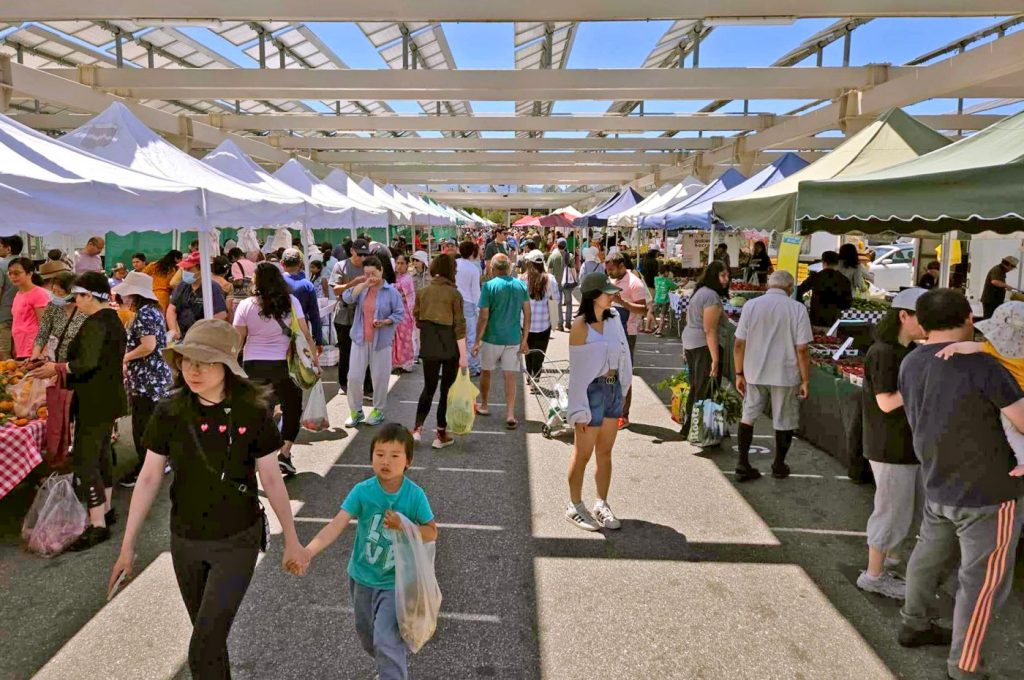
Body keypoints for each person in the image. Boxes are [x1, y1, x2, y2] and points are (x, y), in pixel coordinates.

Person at [108, 319, 307, 679]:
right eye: (187, 360)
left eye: (206, 362)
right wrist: (127, 544)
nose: (194, 370)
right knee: (210, 644)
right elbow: (150, 475)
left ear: (228, 366)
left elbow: (272, 477)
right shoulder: (170, 408)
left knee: (203, 644)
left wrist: (291, 539)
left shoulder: (253, 407)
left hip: (237, 538)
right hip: (185, 538)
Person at [895, 289, 1024, 680]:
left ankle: (913, 622)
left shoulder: (911, 363)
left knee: (927, 557)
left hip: (937, 482)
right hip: (991, 493)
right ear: (969, 317)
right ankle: (965, 666)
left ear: (921, 322)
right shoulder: (985, 367)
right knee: (981, 582)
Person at [299, 424, 437, 680]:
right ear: (371, 457)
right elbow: (336, 524)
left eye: (395, 455)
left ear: (408, 461)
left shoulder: (415, 496)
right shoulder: (362, 491)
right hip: (361, 578)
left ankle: (391, 671)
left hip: (395, 582)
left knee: (385, 639)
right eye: (380, 454)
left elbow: (431, 532)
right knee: (369, 637)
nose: (386, 461)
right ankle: (388, 663)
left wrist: (405, 525)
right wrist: (308, 551)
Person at [29, 272, 127, 550]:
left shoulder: (96, 322)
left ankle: (97, 525)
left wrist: (57, 368)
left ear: (91, 296)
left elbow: (86, 362)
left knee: (86, 458)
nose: (76, 301)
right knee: (102, 453)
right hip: (108, 398)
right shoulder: (111, 320)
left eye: (79, 296)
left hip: (94, 399)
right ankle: (106, 509)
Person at [856, 288, 928, 600]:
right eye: (924, 318)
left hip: (906, 445)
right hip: (889, 445)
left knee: (904, 511)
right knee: (891, 512)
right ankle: (874, 576)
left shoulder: (908, 349)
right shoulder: (883, 352)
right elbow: (885, 403)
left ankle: (888, 565)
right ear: (903, 316)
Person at [234, 262, 319, 477]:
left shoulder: (245, 305)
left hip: (254, 364)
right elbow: (305, 333)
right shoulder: (291, 302)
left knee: (261, 410)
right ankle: (285, 452)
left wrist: (231, 366)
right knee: (292, 408)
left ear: (256, 281)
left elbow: (237, 341)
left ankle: (260, 455)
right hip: (285, 365)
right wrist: (314, 359)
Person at [565, 272, 633, 532]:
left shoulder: (614, 318)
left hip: (613, 389)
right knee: (582, 454)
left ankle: (601, 503)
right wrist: (578, 407)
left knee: (605, 452)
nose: (613, 295)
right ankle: (574, 505)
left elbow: (623, 354)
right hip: (591, 391)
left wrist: (624, 388)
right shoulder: (580, 325)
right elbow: (578, 372)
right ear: (594, 295)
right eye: (608, 292)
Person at [733, 270, 813, 481]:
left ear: (769, 285)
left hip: (754, 370)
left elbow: (739, 343)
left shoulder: (751, 306)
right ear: (790, 288)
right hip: (785, 373)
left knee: (748, 415)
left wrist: (739, 372)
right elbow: (802, 348)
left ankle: (742, 463)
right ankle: (778, 464)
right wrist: (805, 379)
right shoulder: (797, 309)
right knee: (784, 419)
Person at [935, 300, 1024, 472]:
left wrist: (954, 347)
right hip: (1017, 396)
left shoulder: (994, 348)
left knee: (1010, 428)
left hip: (1013, 396)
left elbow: (973, 346)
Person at [113, 272, 173, 488]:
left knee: (143, 425)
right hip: (152, 377)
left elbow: (148, 346)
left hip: (148, 379)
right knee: (150, 423)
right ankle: (158, 462)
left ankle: (146, 467)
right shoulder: (151, 311)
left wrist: (125, 357)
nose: (125, 298)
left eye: (128, 294)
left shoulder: (144, 314)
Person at [412, 254, 468, 448]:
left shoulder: (423, 292)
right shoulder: (454, 294)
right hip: (450, 347)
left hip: (429, 345)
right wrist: (464, 356)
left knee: (428, 387)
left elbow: (417, 319)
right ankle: (440, 434)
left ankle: (417, 429)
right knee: (446, 391)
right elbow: (460, 326)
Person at [342, 254, 405, 428]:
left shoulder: (391, 291)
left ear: (381, 270)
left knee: (380, 378)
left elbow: (400, 313)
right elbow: (347, 298)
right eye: (367, 273)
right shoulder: (362, 288)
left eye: (373, 273)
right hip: (360, 339)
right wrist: (362, 283)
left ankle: (378, 409)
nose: (371, 277)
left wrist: (385, 321)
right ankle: (356, 411)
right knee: (353, 377)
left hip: (381, 340)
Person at [473, 253, 530, 430]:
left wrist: (477, 340)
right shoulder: (521, 285)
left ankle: (484, 404)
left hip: (492, 337)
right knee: (510, 375)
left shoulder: (489, 286)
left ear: (493, 269)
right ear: (509, 268)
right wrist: (525, 339)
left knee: (486, 371)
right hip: (513, 337)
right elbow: (528, 314)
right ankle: (510, 413)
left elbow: (483, 317)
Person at [681, 261, 730, 434]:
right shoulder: (710, 296)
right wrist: (715, 359)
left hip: (692, 342)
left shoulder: (700, 292)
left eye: (727, 275)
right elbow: (710, 330)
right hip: (703, 346)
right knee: (704, 387)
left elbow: (688, 319)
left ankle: (691, 426)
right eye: (723, 275)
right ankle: (700, 428)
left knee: (697, 385)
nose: (726, 279)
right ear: (714, 276)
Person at [604, 251, 648, 430]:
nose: (610, 274)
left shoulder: (634, 283)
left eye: (612, 270)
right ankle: (611, 408)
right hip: (610, 329)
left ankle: (624, 414)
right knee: (609, 370)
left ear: (622, 266)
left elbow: (643, 309)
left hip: (627, 333)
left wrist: (622, 302)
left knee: (624, 371)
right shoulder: (612, 280)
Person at [331, 239, 370, 391]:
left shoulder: (368, 266)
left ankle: (367, 385)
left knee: (366, 351)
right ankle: (343, 382)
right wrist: (353, 283)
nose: (362, 258)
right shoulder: (340, 266)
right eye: (359, 254)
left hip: (364, 314)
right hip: (344, 314)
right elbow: (335, 290)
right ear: (352, 251)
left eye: (365, 255)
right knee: (345, 352)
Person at [167, 251, 229, 342]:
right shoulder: (183, 286)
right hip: (184, 337)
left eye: (189, 269)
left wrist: (201, 331)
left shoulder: (213, 287)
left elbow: (221, 314)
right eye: (184, 269)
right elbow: (171, 309)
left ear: (201, 269)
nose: (185, 272)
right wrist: (173, 330)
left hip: (204, 339)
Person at [522, 250, 560, 383]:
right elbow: (555, 301)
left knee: (527, 350)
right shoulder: (550, 279)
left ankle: (529, 375)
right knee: (540, 352)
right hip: (544, 323)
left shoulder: (522, 279)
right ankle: (535, 377)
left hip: (525, 323)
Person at [31, 271, 84, 362]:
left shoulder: (84, 311)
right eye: (53, 291)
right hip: (55, 360)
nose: (55, 295)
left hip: (77, 362)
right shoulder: (52, 306)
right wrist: (36, 353)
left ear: (72, 293)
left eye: (60, 292)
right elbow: (43, 331)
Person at [796, 250, 853, 329]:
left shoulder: (816, 277)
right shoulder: (844, 280)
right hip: (834, 319)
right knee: (831, 339)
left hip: (816, 318)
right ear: (837, 263)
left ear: (824, 262)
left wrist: (803, 306)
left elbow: (799, 291)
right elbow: (848, 303)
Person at [7, 258, 49, 360]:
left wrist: (42, 350)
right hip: (20, 346)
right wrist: (14, 347)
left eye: (17, 273)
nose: (13, 276)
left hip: (33, 348)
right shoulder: (18, 294)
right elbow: (17, 322)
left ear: (29, 274)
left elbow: (44, 324)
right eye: (10, 273)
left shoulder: (39, 294)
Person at [281, 248, 323, 350]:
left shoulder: (275, 282)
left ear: (282, 263)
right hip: (301, 331)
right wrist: (318, 340)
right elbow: (314, 315)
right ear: (300, 264)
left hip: (277, 332)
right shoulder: (307, 285)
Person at [455, 241, 482, 377]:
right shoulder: (473, 269)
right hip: (469, 303)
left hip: (454, 302)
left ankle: (456, 365)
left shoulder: (454, 264)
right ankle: (471, 366)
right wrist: (479, 309)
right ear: (472, 252)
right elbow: (476, 292)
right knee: (471, 337)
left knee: (455, 335)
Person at [392, 254, 417, 374]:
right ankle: (397, 362)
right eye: (398, 263)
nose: (399, 266)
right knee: (396, 339)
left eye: (402, 263)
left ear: (407, 265)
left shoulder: (407, 278)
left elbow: (404, 295)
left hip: (405, 312)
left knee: (404, 338)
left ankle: (406, 363)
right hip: (394, 312)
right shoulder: (395, 277)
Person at [549, 238, 578, 333]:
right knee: (569, 303)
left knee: (558, 304)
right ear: (565, 246)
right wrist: (576, 280)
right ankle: (568, 322)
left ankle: (560, 324)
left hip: (556, 283)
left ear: (557, 245)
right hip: (567, 284)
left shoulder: (553, 256)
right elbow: (573, 269)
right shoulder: (570, 256)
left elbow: (549, 271)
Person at [980, 255, 1019, 319]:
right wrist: (1006, 285)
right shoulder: (997, 269)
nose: (1011, 269)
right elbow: (994, 281)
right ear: (1008, 264)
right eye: (1012, 267)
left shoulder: (1002, 271)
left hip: (995, 301)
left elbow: (999, 283)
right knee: (989, 320)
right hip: (991, 301)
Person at [651, 263, 678, 337]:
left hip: (657, 299)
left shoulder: (655, 279)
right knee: (662, 316)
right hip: (665, 301)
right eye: (668, 272)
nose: (669, 273)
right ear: (666, 272)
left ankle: (656, 324)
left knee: (651, 312)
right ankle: (659, 330)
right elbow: (675, 287)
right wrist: (684, 283)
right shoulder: (668, 280)